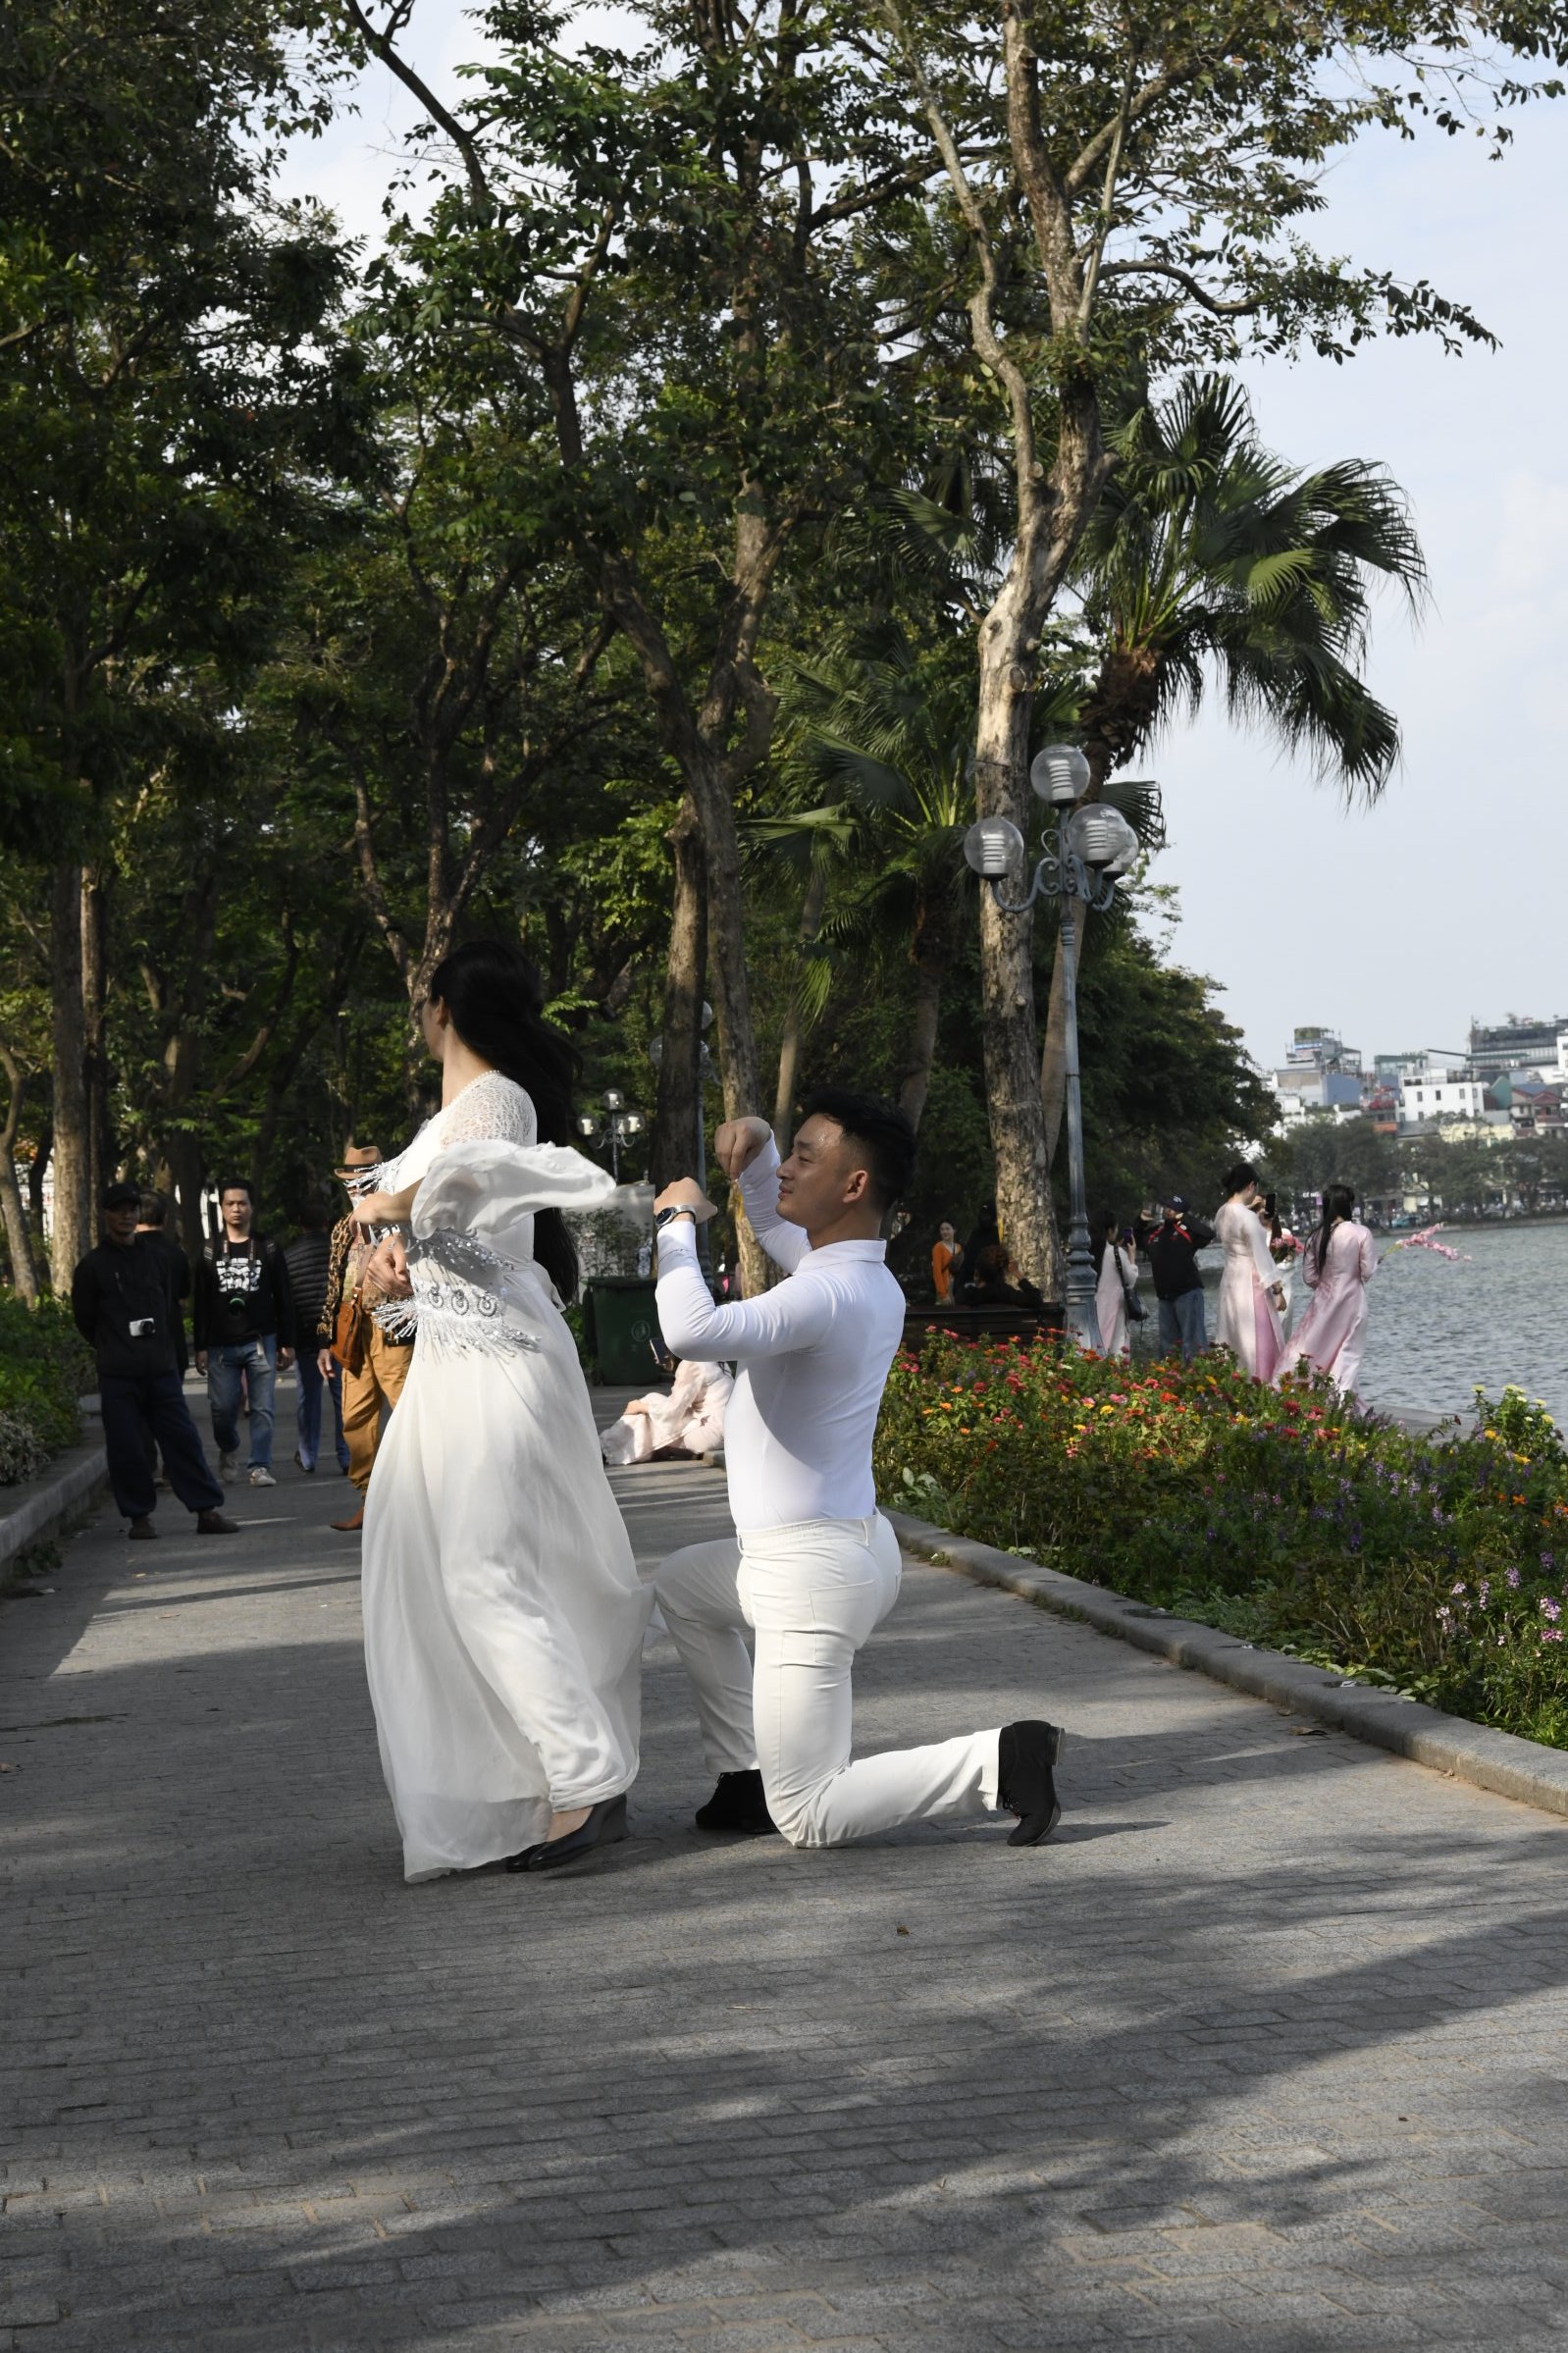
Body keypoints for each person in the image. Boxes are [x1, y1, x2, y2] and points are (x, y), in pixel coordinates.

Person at [651, 1090, 1067, 1853]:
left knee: (809, 1813)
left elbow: (691, 1328)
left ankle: (999, 1762)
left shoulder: (825, 1292)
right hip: (842, 1550)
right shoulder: (858, 1273)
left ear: (854, 1185)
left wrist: (676, 1222)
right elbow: (773, 1217)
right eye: (791, 1151)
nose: (788, 1168)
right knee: (682, 1586)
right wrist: (758, 1143)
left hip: (808, 1575)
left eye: (806, 1157)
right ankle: (744, 1775)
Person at [346, 938, 651, 1883]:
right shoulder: (441, 1121)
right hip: (452, 1366)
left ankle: (585, 1775)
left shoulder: (497, 1099)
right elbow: (435, 1244)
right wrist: (384, 1260)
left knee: (482, 1570)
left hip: (498, 1364)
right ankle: (537, 1782)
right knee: (443, 1571)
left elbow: (466, 1191)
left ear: (441, 1008)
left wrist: (392, 1213)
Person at [72, 1184, 236, 1542]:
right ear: (105, 1214)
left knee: (183, 1441)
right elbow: (85, 1319)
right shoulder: (92, 1267)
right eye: (119, 1210)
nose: (127, 1215)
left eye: (132, 1209)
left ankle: (206, 1510)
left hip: (160, 1368)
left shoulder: (158, 1258)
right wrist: (113, 1344)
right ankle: (139, 1517)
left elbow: (169, 1304)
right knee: (127, 1448)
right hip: (118, 1373)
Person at [317, 1143, 411, 1532]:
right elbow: (333, 1283)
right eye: (350, 1181)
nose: (356, 1187)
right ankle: (369, 1502)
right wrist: (326, 1340)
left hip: (394, 1328)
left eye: (363, 1180)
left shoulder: (401, 1224)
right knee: (354, 1418)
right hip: (353, 1329)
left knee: (408, 1411)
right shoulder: (343, 1227)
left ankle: (421, 1497)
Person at [193, 1180, 295, 1488]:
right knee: (222, 1409)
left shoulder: (267, 1247)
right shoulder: (210, 1249)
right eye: (230, 1204)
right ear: (222, 1208)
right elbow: (201, 1302)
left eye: (242, 1203)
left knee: (262, 1407)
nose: (236, 1209)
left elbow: (284, 1296)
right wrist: (200, 1346)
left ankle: (260, 1465)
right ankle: (229, 1446)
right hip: (220, 1345)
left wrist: (287, 1342)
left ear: (251, 1207)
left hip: (261, 1340)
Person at [1275, 1182, 1378, 1396]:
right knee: (1347, 1354)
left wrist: (1326, 1286)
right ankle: (1340, 1400)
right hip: (1352, 1302)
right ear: (1347, 1205)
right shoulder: (1361, 1233)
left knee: (1314, 1348)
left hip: (1322, 1303)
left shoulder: (1316, 1236)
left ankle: (1295, 1388)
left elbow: (1309, 1276)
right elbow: (1367, 1272)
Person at [284, 1197, 349, 1480]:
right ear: (327, 1223)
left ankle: (308, 1456)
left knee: (307, 1399)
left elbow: (286, 1302)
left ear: (300, 1224)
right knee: (342, 1398)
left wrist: (288, 1339)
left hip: (306, 1336)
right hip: (338, 1335)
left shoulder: (288, 1257)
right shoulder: (339, 1252)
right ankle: (346, 1455)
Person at [1213, 1162, 1287, 1382]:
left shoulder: (1221, 1213)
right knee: (1257, 1337)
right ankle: (1261, 1382)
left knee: (1233, 1333)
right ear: (1251, 1186)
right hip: (1249, 1280)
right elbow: (1261, 1256)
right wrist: (1277, 1290)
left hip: (1230, 1278)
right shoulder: (1247, 1217)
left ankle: (1234, 1382)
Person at [600, 1354, 733, 1465]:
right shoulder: (718, 1360)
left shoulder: (692, 1364)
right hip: (725, 1432)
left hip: (706, 1434)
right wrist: (673, 1364)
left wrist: (640, 1407)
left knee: (650, 1401)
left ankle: (605, 1447)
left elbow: (672, 1411)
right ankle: (610, 1447)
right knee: (655, 1415)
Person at [1146, 1197, 1214, 1360]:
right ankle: (1171, 1374)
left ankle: (1197, 1374)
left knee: (1193, 1343)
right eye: (1167, 1206)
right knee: (1168, 1346)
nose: (1169, 1210)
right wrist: (1140, 1221)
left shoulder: (1188, 1231)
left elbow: (1209, 1233)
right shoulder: (1157, 1232)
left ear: (1181, 1212)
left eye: (1174, 1208)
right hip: (1164, 1296)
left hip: (1187, 1292)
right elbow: (1136, 1237)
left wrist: (1186, 1219)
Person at [1093, 1213, 1140, 1358]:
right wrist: (1132, 1257)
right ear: (1110, 1231)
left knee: (1096, 1352)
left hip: (1094, 1312)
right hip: (1115, 1310)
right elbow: (1130, 1280)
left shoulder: (1087, 1252)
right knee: (1117, 1350)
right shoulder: (1116, 1253)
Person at [961, 1240, 1044, 1313]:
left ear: (979, 1271)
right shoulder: (1006, 1293)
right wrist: (1017, 1273)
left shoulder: (969, 1295)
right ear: (1002, 1270)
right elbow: (1035, 1299)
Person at [930, 1220, 963, 1305]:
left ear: (954, 1230)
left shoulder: (959, 1247)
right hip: (945, 1287)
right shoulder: (938, 1248)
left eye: (947, 1229)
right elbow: (937, 1272)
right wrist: (943, 1295)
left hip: (957, 1286)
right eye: (942, 1229)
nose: (944, 1232)